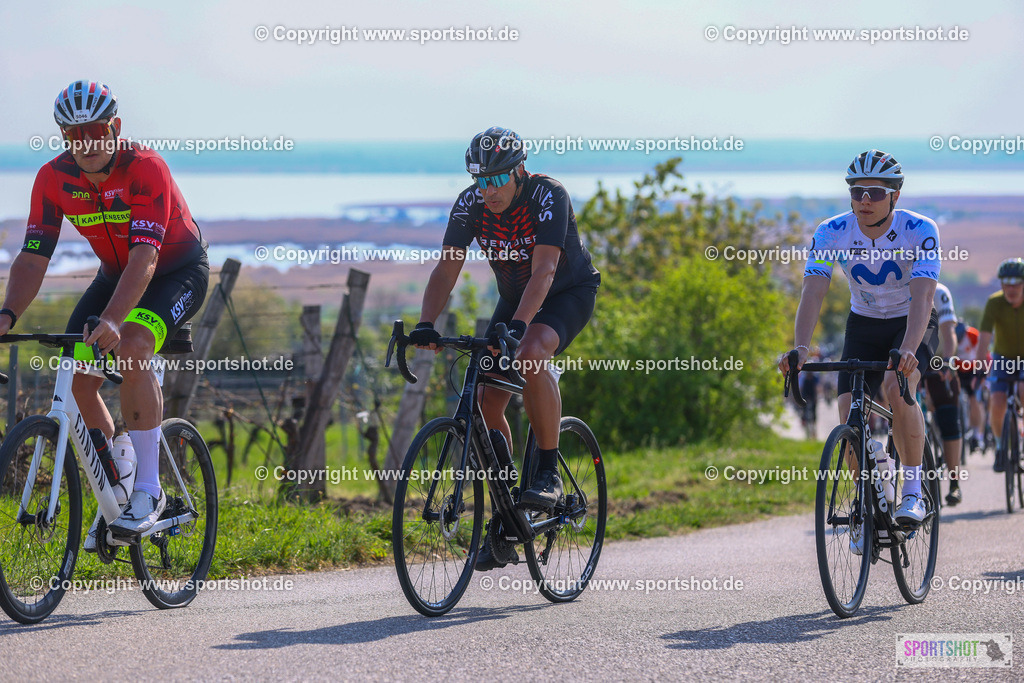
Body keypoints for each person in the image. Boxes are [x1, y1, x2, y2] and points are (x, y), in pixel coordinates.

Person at [0, 80, 209, 547]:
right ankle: (117, 482)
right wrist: (7, 314)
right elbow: (34, 257)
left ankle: (150, 492)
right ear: (64, 138)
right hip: (115, 276)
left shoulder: (145, 168)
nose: (86, 142)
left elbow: (146, 257)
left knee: (133, 345)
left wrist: (115, 320)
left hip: (174, 272)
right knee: (78, 375)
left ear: (114, 127)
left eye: (95, 130)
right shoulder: (53, 178)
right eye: (74, 135)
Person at [409, 127, 600, 570]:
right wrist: (425, 324)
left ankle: (549, 472)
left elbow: (547, 270)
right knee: (482, 396)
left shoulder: (547, 195)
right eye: (480, 181)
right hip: (516, 300)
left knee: (531, 352)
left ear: (519, 171)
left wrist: (516, 327)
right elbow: (447, 267)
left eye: (496, 180)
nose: (487, 191)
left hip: (564, 294)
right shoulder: (470, 204)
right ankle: (509, 505)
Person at [778, 150, 940, 554]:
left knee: (894, 383)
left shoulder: (920, 229)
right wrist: (800, 347)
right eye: (855, 191)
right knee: (847, 407)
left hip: (911, 319)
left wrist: (906, 350)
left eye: (874, 192)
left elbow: (922, 298)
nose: (863, 199)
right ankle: (868, 500)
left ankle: (913, 490)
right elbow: (814, 289)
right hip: (863, 322)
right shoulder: (832, 231)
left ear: (895, 196)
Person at [975, 258, 1024, 472]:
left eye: (1016, 283)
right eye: (1006, 283)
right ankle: (1000, 447)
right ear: (1001, 284)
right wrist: (979, 365)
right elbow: (984, 337)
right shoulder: (994, 303)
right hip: (1003, 358)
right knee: (996, 401)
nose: (1011, 288)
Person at [924, 282, 963, 506]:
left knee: (948, 420)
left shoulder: (940, 292)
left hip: (938, 363)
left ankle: (954, 483)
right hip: (910, 362)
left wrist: (948, 362)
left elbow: (949, 333)